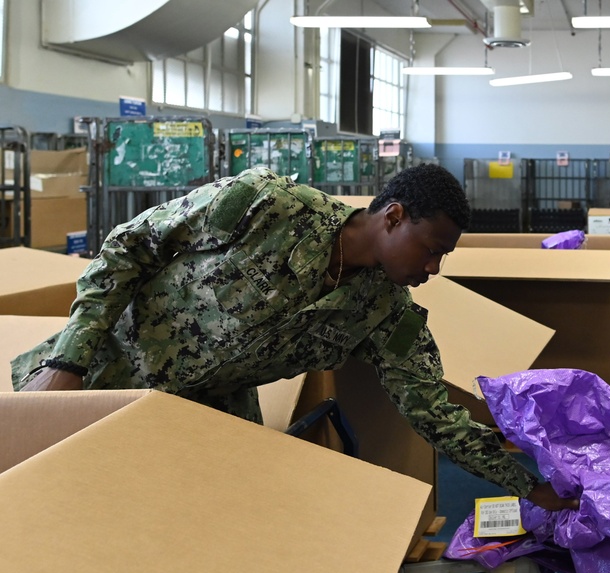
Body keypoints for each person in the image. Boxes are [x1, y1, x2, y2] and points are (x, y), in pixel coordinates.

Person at [12, 164, 577, 512]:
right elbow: (127, 247)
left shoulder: (385, 316)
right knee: (36, 499)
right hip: (101, 376)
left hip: (192, 426)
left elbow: (435, 415)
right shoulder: (267, 205)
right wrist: (71, 359)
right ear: (393, 216)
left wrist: (529, 486)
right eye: (431, 249)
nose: (433, 268)